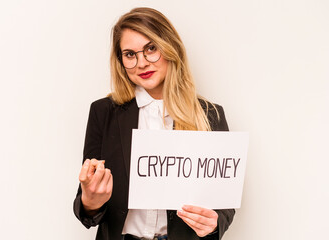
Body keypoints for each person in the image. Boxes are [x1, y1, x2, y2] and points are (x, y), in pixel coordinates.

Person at [73, 7, 235, 240]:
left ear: (170, 47)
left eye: (151, 49)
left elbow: (224, 204)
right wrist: (90, 201)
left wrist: (214, 223)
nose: (142, 63)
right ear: (121, 61)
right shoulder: (103, 112)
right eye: (130, 54)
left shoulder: (211, 115)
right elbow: (87, 207)